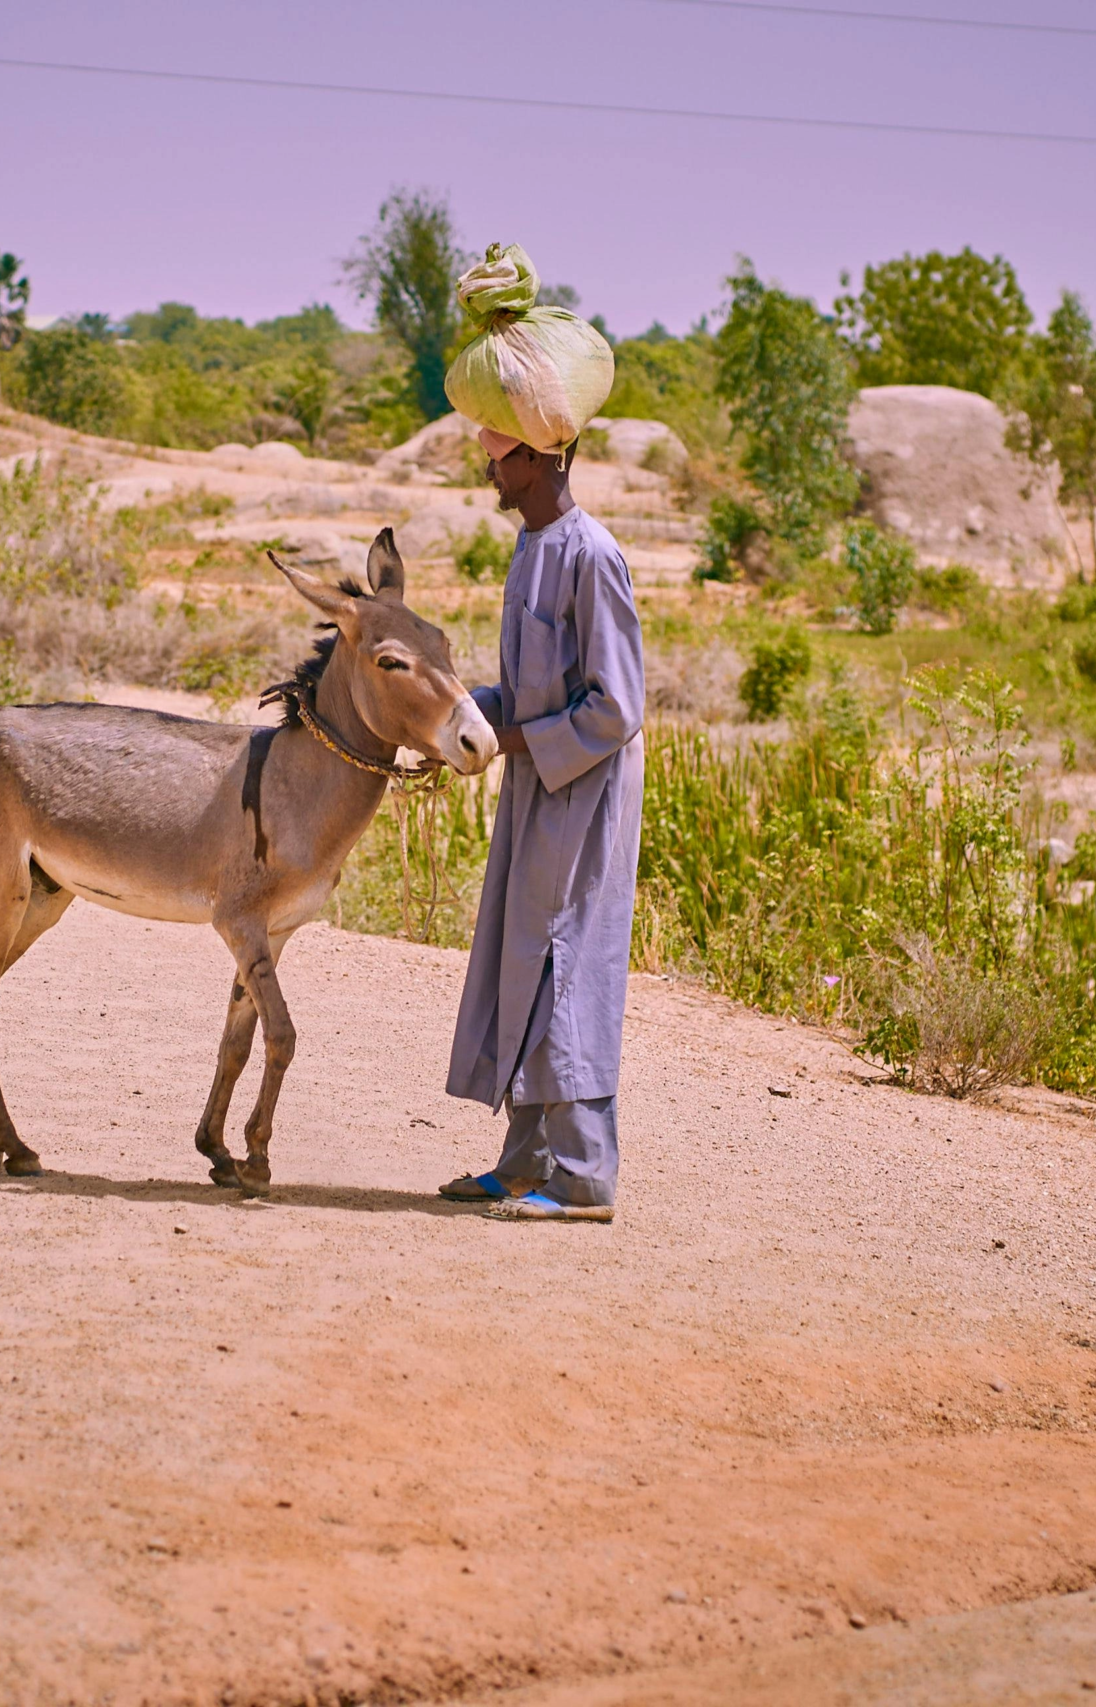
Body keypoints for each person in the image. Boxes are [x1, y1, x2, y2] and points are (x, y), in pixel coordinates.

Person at [436, 253, 644, 1225]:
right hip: (536, 789)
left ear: (538, 458)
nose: (490, 467)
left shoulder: (593, 556)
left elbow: (614, 708)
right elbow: (521, 687)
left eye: (499, 454)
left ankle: (585, 1176)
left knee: (569, 958)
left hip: (582, 797)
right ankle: (523, 1162)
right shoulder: (531, 547)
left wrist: (514, 739)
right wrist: (457, 712)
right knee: (524, 952)